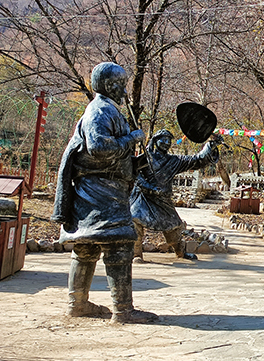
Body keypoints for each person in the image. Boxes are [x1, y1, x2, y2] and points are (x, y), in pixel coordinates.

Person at [51, 62, 157, 324]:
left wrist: (138, 162)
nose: (125, 91)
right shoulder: (100, 110)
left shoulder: (106, 110)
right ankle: (122, 310)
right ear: (110, 85)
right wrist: (131, 139)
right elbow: (98, 148)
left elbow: (112, 155)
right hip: (100, 190)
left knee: (86, 247)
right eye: (121, 85)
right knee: (118, 245)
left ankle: (78, 304)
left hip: (101, 188)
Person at [130, 129, 222, 262]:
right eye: (163, 139)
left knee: (174, 226)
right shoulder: (146, 157)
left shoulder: (173, 161)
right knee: (135, 220)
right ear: (155, 140)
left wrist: (211, 145)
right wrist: (149, 187)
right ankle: (136, 254)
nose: (166, 142)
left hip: (163, 200)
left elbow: (196, 160)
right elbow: (134, 174)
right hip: (144, 199)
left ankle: (180, 252)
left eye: (169, 140)